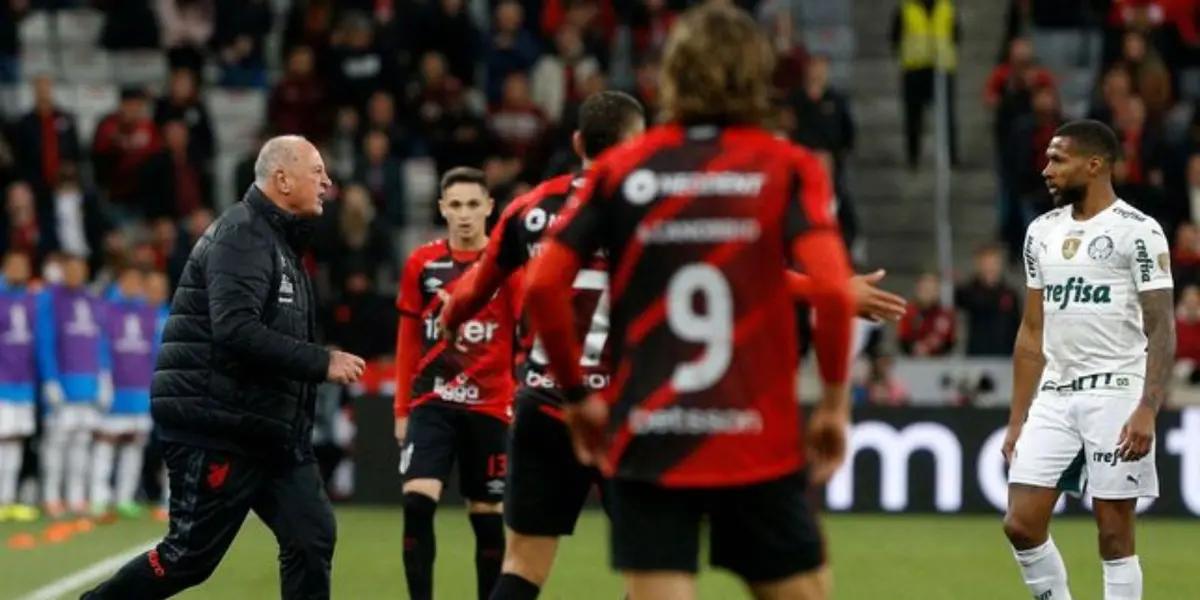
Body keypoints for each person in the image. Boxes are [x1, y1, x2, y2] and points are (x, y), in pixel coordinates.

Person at [522, 4, 857, 599]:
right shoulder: (788, 165)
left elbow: (544, 284)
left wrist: (575, 395)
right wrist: (832, 403)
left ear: (671, 74)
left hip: (650, 431)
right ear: (757, 75)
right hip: (754, 435)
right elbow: (832, 290)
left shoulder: (621, 169)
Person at [83, 136, 366, 599]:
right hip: (218, 426)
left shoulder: (280, 243)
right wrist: (321, 361)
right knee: (187, 559)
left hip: (270, 432)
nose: (327, 182)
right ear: (281, 178)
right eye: (317, 171)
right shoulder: (242, 235)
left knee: (311, 536)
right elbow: (235, 330)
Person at [440, 90, 648, 600]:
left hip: (544, 403)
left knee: (524, 566)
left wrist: (451, 314)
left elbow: (476, 287)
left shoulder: (530, 208)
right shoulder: (654, 212)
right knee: (652, 573)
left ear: (577, 141)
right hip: (622, 411)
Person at [1003, 120, 1174, 600]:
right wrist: (1017, 420)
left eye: (1058, 159)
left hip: (1116, 391)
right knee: (1020, 523)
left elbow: (1161, 327)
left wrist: (1147, 406)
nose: (1046, 170)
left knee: (1114, 534)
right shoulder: (1040, 232)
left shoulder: (1139, 232)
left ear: (1094, 165)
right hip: (1055, 393)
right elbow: (1032, 329)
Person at [394, 167, 517, 600]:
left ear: (489, 208)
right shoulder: (422, 264)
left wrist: (517, 394)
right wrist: (401, 410)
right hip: (432, 401)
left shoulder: (506, 268)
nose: (465, 215)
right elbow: (408, 338)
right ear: (443, 209)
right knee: (416, 503)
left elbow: (524, 335)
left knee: (486, 518)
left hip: (489, 406)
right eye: (456, 206)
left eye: (473, 205)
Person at [37, 253, 108, 519]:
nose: (75, 275)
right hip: (63, 383)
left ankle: (76, 496)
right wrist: (51, 379)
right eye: (70, 270)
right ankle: (51, 496)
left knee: (81, 442)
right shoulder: (51, 301)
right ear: (63, 271)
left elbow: (100, 342)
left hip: (88, 384)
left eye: (79, 270)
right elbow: (45, 342)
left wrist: (103, 377)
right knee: (56, 442)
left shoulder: (92, 301)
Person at [89, 265, 157, 519]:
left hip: (139, 386)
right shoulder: (107, 309)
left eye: (137, 282)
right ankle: (97, 497)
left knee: (134, 442)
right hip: (114, 385)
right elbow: (99, 346)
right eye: (128, 281)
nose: (133, 286)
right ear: (120, 282)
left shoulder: (148, 312)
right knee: (106, 441)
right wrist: (104, 376)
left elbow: (153, 350)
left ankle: (125, 497)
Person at [0, 251, 39, 522]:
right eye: (14, 265)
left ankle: (8, 499)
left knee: (15, 441)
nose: (19, 270)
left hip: (23, 382)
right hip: (2, 380)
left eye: (23, 265)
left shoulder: (31, 299)